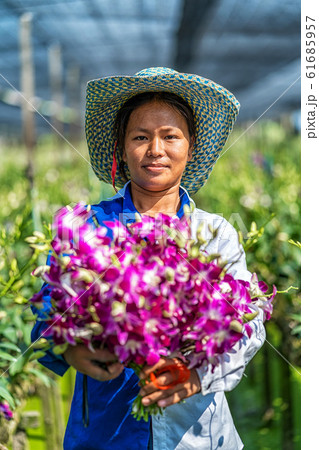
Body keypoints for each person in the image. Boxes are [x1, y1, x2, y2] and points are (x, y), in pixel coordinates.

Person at [31, 67, 266, 449]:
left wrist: (196, 376)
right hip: (106, 435)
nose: (156, 149)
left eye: (170, 136)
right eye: (141, 137)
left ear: (191, 147)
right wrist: (71, 349)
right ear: (122, 148)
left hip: (196, 436)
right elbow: (46, 312)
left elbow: (249, 326)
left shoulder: (215, 233)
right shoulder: (87, 227)